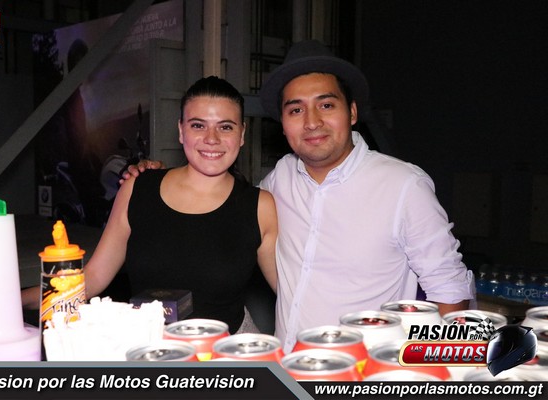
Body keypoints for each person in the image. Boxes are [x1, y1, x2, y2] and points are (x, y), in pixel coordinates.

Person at [125, 40, 475, 353]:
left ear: (352, 112)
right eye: (296, 110)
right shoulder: (278, 182)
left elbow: (450, 290)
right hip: (289, 368)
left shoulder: (403, 186)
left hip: (362, 373)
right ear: (283, 123)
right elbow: (219, 200)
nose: (311, 122)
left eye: (326, 105)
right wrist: (153, 177)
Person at [24, 76, 278, 334]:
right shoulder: (138, 189)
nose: (211, 138)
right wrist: (15, 300)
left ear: (242, 134)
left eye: (225, 127)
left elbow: (291, 291)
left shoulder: (260, 206)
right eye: (198, 125)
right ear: (181, 131)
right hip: (151, 348)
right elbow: (93, 278)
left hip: (230, 349)